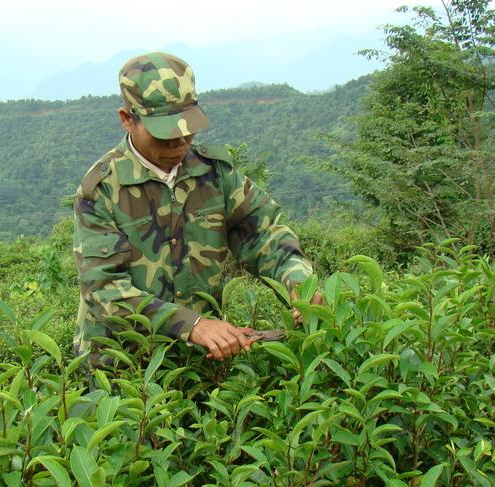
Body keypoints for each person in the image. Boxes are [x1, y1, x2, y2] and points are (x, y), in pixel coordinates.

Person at [73, 52, 320, 364]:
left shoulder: (216, 174)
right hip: (124, 366)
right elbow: (103, 290)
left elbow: (264, 233)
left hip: (201, 361)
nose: (179, 143)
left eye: (187, 129)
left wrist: (298, 282)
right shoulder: (102, 190)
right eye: (164, 133)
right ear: (127, 119)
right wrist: (192, 325)